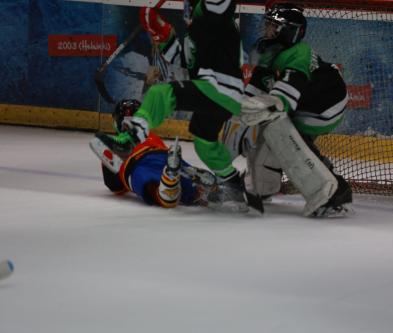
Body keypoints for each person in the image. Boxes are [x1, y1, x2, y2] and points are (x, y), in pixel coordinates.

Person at [98, 0, 248, 213]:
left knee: (161, 93)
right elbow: (183, 60)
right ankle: (233, 186)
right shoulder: (196, 31)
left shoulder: (215, 17)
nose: (186, 10)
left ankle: (131, 138)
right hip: (221, 94)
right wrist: (162, 33)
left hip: (219, 86)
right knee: (204, 142)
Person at [225, 2, 352, 217]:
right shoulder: (269, 51)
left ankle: (330, 192)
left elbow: (285, 100)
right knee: (265, 128)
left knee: (278, 129)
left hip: (325, 106)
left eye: (272, 26)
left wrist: (256, 112)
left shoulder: (299, 53)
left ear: (287, 31)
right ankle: (264, 187)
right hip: (306, 101)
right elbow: (252, 94)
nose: (266, 30)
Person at [91, 99, 216, 208]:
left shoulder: (117, 144)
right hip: (164, 155)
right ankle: (207, 191)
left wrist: (106, 162)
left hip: (136, 163)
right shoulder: (150, 135)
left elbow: (114, 186)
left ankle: (168, 182)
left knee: (149, 184)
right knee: (191, 191)